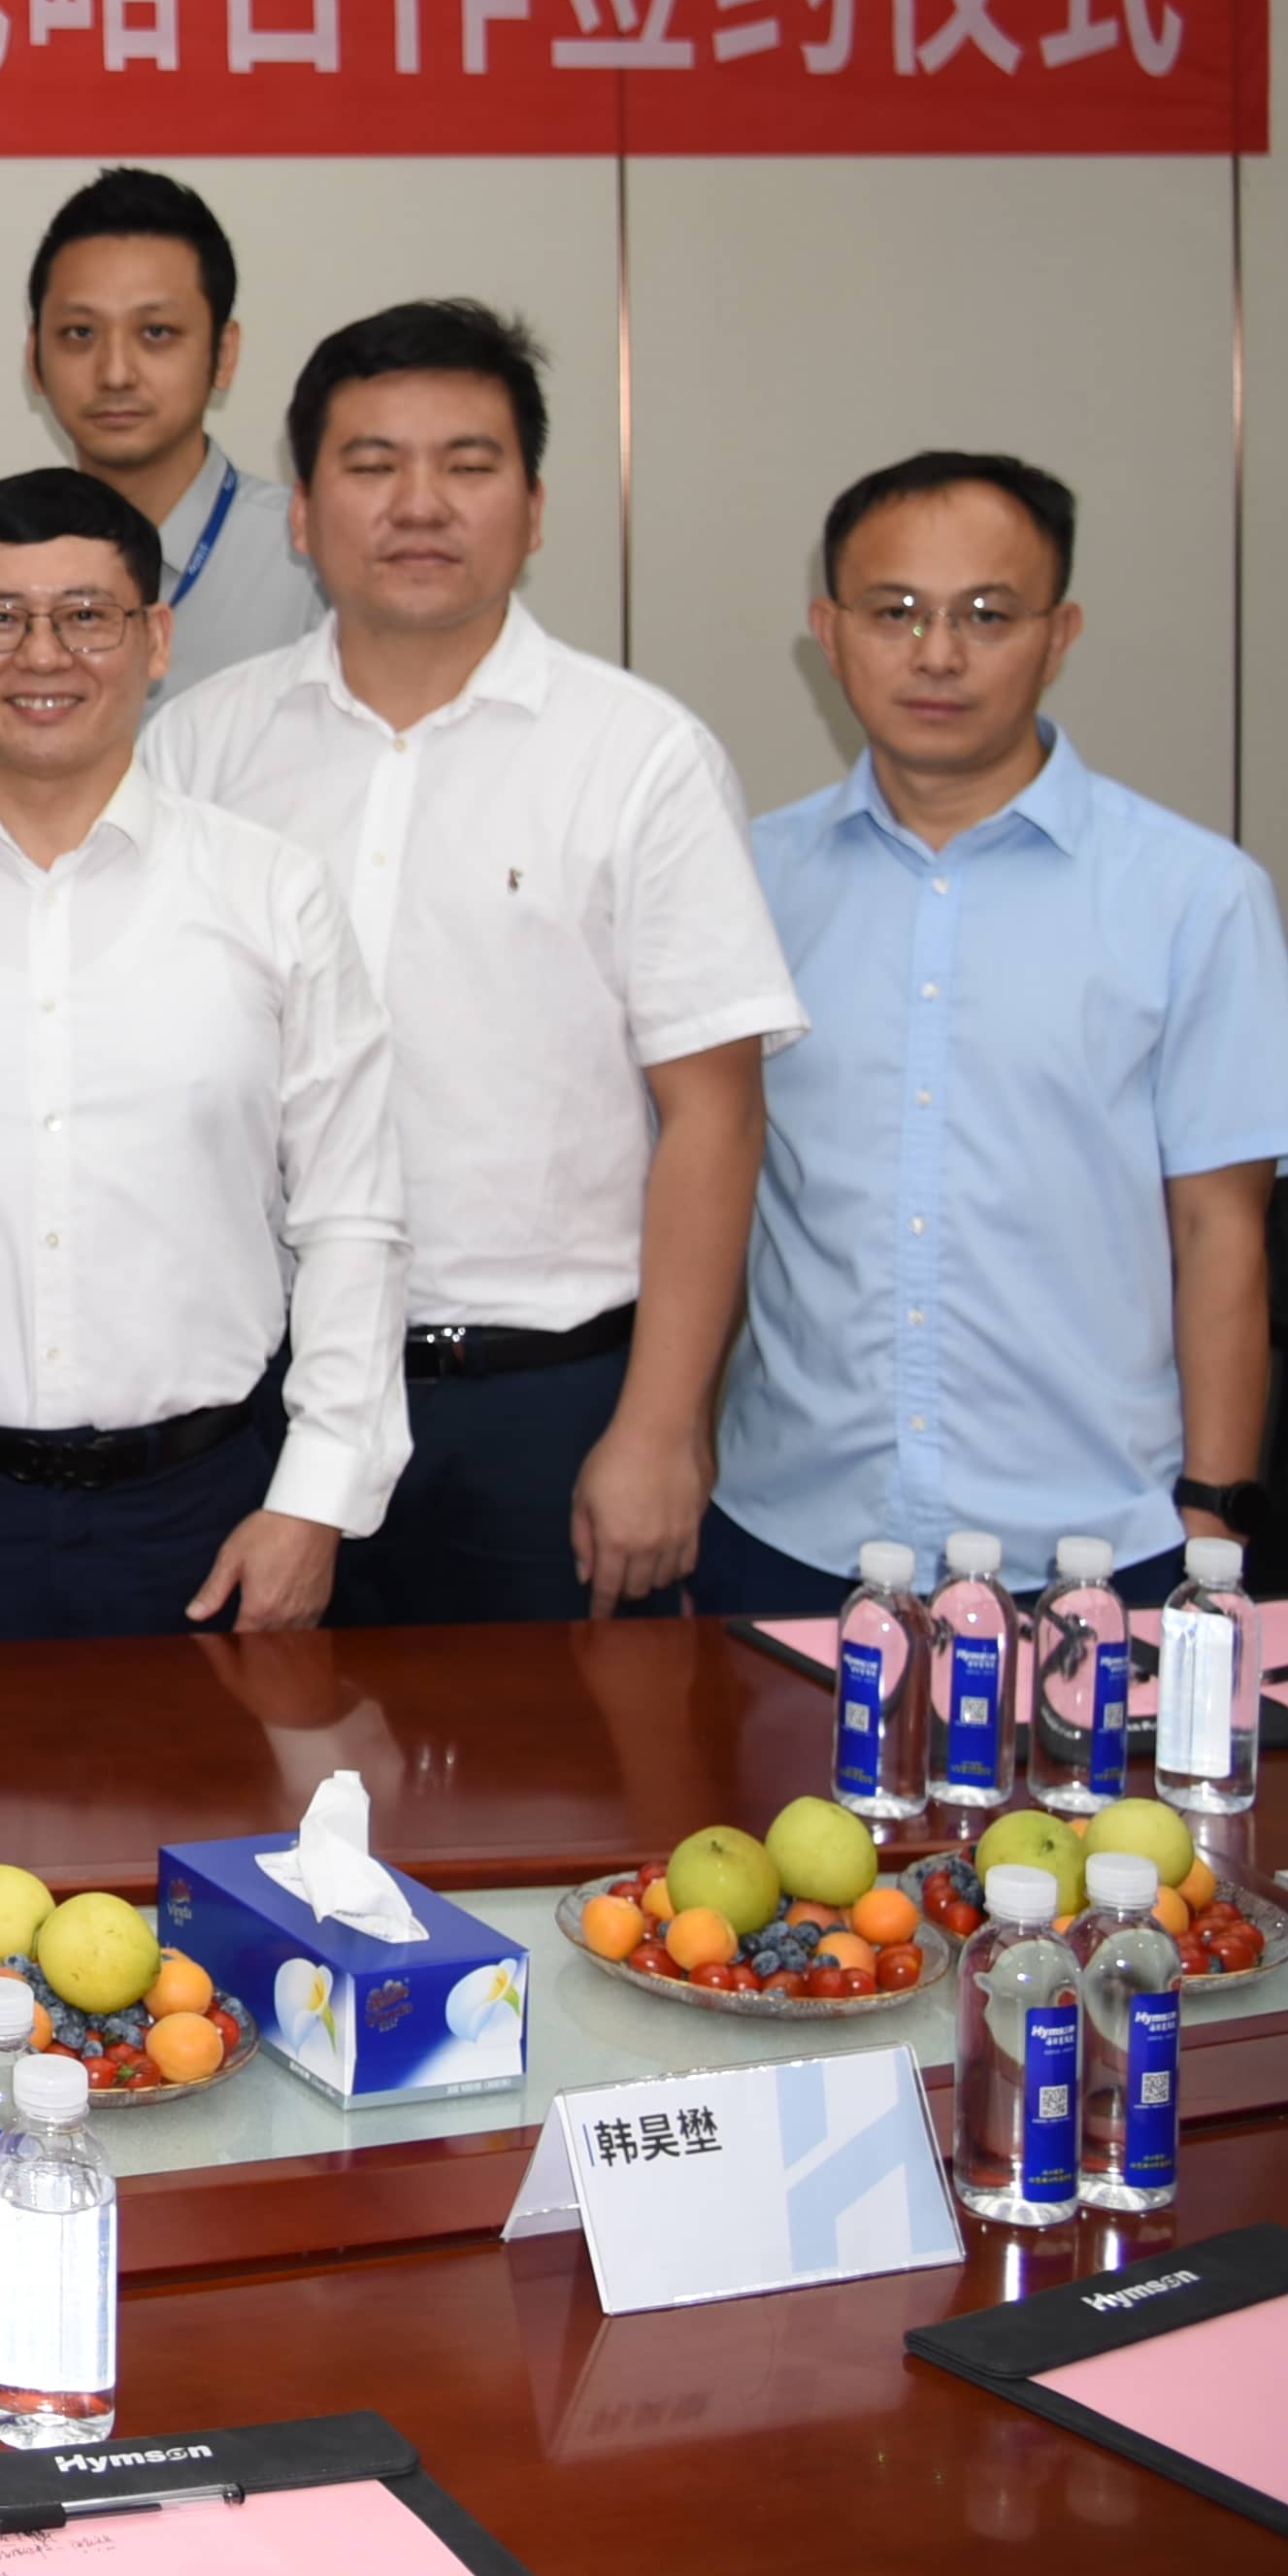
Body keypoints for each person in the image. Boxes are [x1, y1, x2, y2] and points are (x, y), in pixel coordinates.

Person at [151, 304, 804, 1625]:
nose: (419, 503)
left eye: (468, 463)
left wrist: (660, 1427)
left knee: (567, 1757)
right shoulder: (198, 751)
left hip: (547, 1408)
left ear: (535, 507)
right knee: (249, 1749)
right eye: (372, 463)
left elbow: (716, 1116)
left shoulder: (639, 756)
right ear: (302, 510)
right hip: (257, 1398)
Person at [0, 469, 406, 1647]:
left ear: (154, 639)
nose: (42, 654)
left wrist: (315, 1496)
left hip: (212, 1512)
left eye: (85, 615)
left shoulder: (270, 892)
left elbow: (352, 1216)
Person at [695, 453, 1288, 1618]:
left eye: (987, 614)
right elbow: (700, 1188)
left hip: (1096, 1544)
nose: (936, 653)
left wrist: (1211, 1515)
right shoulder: (744, 884)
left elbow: (1221, 1228)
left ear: (1058, 633)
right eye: (893, 611)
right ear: (828, 633)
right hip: (789, 1527)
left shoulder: (1194, 895)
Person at [17, 168, 322, 702]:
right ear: (35, 359)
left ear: (223, 355)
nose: (115, 374)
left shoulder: (314, 565)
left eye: (156, 332)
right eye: (79, 333)